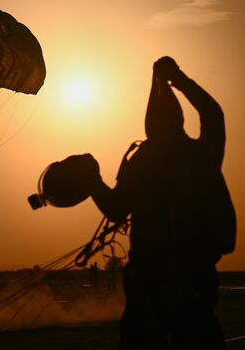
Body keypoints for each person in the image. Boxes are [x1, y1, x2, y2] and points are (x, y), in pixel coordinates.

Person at [85, 57, 235, 349]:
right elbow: (212, 114)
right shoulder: (201, 155)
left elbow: (116, 209)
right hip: (191, 278)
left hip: (151, 279)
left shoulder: (141, 162)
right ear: (179, 119)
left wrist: (92, 181)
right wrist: (177, 79)